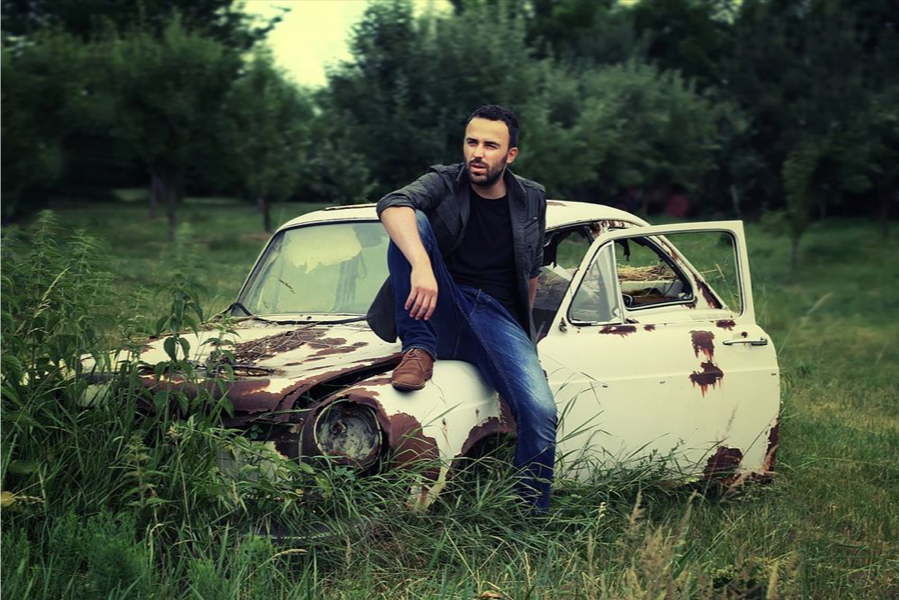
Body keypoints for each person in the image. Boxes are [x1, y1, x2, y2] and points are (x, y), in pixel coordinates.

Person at [366, 104, 557, 514]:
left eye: (491, 145)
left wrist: (525, 343)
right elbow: (392, 205)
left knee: (540, 410)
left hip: (496, 318)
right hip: (443, 303)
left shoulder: (532, 198)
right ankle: (418, 347)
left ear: (511, 154)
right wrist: (422, 266)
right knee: (411, 221)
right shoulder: (444, 181)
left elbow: (532, 272)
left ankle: (530, 516)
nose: (478, 153)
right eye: (472, 142)